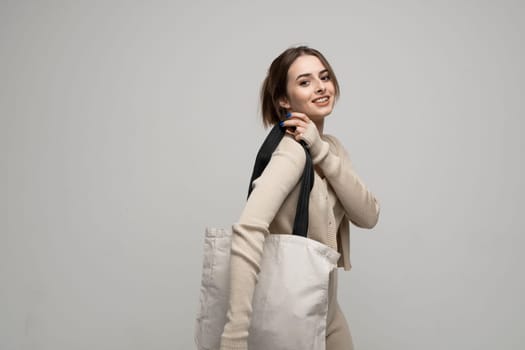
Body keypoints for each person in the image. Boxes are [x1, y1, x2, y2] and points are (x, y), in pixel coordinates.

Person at [219, 45, 380, 350]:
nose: (321, 87)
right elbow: (248, 229)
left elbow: (368, 215)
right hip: (291, 309)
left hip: (327, 308)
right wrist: (235, 335)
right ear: (283, 99)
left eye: (324, 77)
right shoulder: (292, 152)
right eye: (305, 82)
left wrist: (322, 151)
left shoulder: (331, 147)